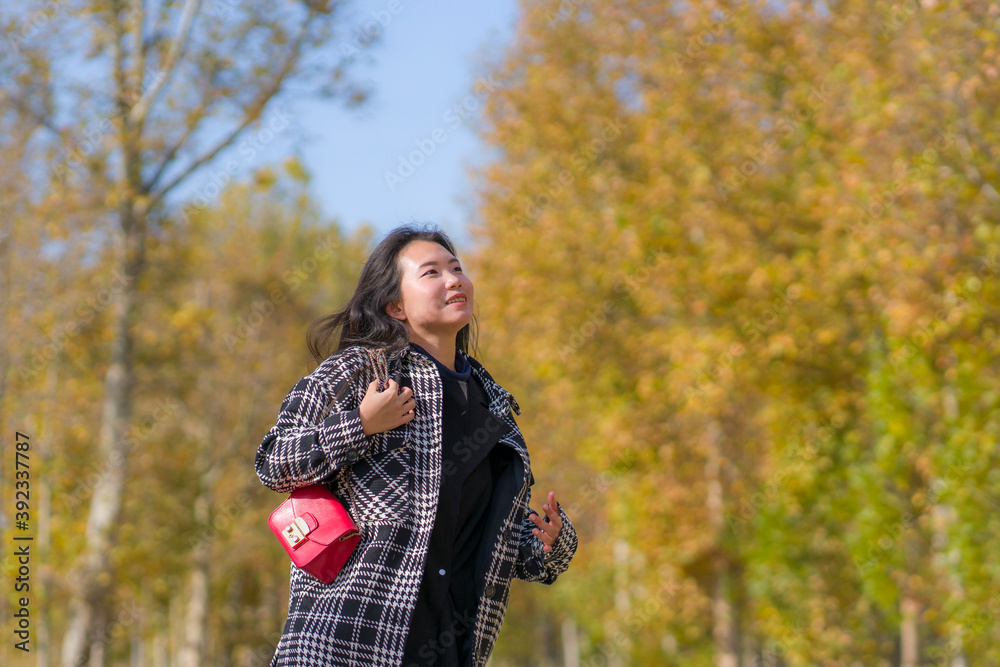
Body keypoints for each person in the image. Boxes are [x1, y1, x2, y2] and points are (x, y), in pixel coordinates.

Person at [255, 223, 579, 666]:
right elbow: (273, 461)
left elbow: (485, 537)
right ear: (395, 305)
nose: (454, 280)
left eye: (457, 268)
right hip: (345, 642)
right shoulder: (357, 372)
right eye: (431, 273)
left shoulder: (494, 405)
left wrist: (548, 542)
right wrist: (361, 424)